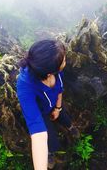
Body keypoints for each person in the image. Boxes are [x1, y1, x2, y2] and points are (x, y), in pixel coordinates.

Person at [16, 39, 79, 169]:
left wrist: (58, 108)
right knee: (51, 139)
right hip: (41, 112)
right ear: (49, 72)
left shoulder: (56, 71)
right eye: (64, 61)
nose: (65, 62)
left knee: (64, 117)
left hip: (54, 104)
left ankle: (71, 128)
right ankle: (49, 153)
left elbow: (60, 90)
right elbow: (37, 132)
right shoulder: (25, 85)